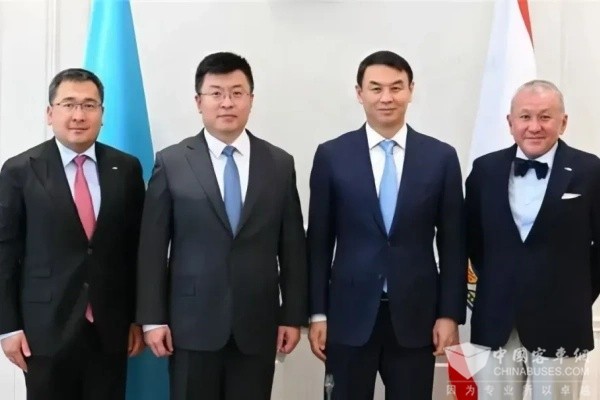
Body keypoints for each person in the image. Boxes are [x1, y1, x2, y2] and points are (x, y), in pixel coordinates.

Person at [136, 52, 308, 400]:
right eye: (216, 93)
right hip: (190, 325)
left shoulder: (278, 163)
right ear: (198, 101)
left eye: (236, 93)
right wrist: (153, 318)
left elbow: (292, 247)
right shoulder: (172, 162)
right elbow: (152, 247)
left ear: (251, 99)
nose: (227, 102)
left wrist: (292, 315)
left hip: (257, 324)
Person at [307, 50, 467, 399]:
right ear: (359, 93)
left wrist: (449, 314)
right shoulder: (332, 155)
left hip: (417, 317)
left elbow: (454, 244)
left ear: (411, 90)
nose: (386, 98)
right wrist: (317, 313)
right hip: (348, 316)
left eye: (396, 87)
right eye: (376, 88)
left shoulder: (440, 158)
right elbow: (318, 242)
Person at [0, 68, 145, 400]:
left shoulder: (126, 169)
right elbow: (4, 253)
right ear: (50, 113)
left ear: (102, 114)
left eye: (89, 105)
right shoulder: (20, 170)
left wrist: (138, 318)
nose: (79, 115)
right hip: (43, 331)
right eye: (69, 104)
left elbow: (136, 249)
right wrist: (7, 327)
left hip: (111, 329)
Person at [467, 80, 600, 400]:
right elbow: (472, 241)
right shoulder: (485, 170)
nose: (534, 127)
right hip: (495, 320)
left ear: (563, 122)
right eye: (525, 117)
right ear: (510, 122)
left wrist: (577, 296)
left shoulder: (591, 170)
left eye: (545, 116)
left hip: (563, 320)